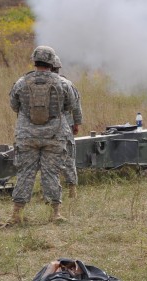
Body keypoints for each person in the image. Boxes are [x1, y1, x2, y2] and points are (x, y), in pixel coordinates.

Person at [8, 46, 75, 225]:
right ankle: (55, 213)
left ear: (34, 61)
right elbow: (70, 106)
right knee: (51, 173)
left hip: (27, 135)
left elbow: (14, 105)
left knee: (25, 173)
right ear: (52, 62)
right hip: (54, 136)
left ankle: (16, 214)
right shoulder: (63, 83)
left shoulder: (21, 82)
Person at [52, 55, 83, 199]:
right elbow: (76, 106)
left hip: (39, 128)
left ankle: (51, 190)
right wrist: (76, 123)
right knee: (69, 157)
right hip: (64, 126)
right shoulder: (67, 84)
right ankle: (72, 190)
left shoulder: (31, 82)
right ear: (58, 68)